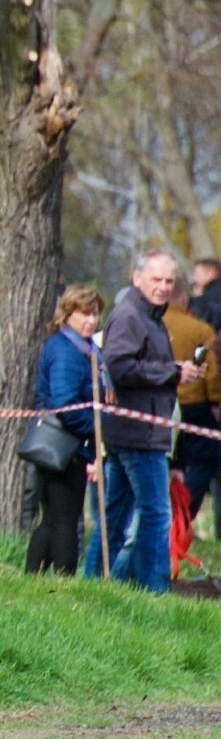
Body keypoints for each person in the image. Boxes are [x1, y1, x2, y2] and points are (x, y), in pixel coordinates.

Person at [87, 249, 204, 593]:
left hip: (134, 431)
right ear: (137, 278)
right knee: (155, 514)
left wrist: (178, 371)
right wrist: (172, 371)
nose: (163, 287)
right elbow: (120, 367)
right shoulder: (129, 316)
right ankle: (153, 590)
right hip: (139, 432)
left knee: (116, 518)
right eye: (156, 279)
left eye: (169, 281)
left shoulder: (151, 317)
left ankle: (94, 584)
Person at [26, 285, 104, 575]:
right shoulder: (65, 349)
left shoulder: (85, 348)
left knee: (56, 518)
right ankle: (63, 580)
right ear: (67, 314)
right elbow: (64, 402)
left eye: (95, 313)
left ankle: (33, 577)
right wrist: (98, 428)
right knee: (64, 520)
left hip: (74, 445)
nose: (91, 320)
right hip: (62, 443)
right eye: (84, 313)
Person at [162, 281, 221, 522]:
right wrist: (216, 400)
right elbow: (211, 372)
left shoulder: (152, 326)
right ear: (184, 300)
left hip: (160, 405)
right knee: (203, 462)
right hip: (195, 405)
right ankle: (182, 515)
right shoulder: (200, 329)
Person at [190, 258, 221, 329]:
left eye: (197, 274)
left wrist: (198, 298)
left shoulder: (211, 295)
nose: (194, 279)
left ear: (211, 273)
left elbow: (202, 320)